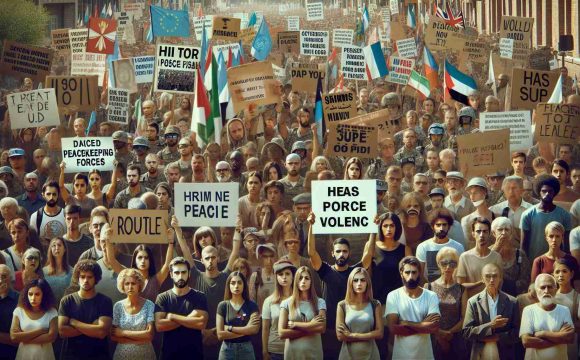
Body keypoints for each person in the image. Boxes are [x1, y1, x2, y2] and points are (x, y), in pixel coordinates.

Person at [307, 212, 366, 359]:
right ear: (332, 253)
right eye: (338, 251)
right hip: (329, 329)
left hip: (352, 329)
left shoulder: (355, 273)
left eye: (345, 251)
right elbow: (311, 252)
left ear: (349, 253)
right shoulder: (326, 270)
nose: (341, 254)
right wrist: (311, 225)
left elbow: (368, 256)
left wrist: (374, 229)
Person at [385, 256, 440, 360]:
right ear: (401, 273)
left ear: (419, 272)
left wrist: (407, 324)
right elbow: (393, 328)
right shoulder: (393, 296)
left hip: (424, 355)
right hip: (401, 355)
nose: (411, 276)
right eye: (407, 272)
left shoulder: (431, 295)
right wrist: (423, 325)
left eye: (414, 272)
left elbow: (434, 327)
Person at [154, 257, 209, 360]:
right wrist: (190, 319)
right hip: (169, 354)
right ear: (171, 274)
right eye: (177, 273)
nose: (180, 276)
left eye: (183, 272)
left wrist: (172, 316)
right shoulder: (163, 297)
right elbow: (159, 325)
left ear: (189, 274)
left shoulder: (200, 297)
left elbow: (201, 323)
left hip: (194, 354)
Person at [58, 259, 113, 360]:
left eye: (89, 277)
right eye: (82, 277)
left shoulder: (105, 301)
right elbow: (62, 331)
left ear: (96, 278)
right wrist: (92, 327)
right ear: (77, 278)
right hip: (71, 356)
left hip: (99, 356)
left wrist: (74, 323)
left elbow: (101, 333)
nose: (85, 280)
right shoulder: (67, 301)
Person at [462, 263, 519, 360]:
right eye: (488, 276)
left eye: (495, 276)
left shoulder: (512, 302)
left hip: (505, 352)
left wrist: (498, 337)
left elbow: (517, 332)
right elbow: (466, 332)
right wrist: (490, 325)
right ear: (482, 279)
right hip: (480, 352)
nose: (492, 280)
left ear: (500, 278)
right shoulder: (473, 302)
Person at [520, 274, 575, 359]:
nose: (546, 291)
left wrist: (543, 333)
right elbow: (526, 341)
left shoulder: (564, 310)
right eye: (542, 287)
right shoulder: (528, 310)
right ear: (536, 290)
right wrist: (560, 337)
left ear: (555, 290)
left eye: (550, 287)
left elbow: (570, 338)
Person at [426, 247, 467, 359]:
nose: (448, 267)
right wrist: (439, 334)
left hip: (456, 339)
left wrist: (449, 333)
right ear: (438, 264)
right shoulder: (428, 287)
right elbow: (426, 316)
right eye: (444, 263)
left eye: (452, 263)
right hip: (434, 339)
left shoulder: (462, 289)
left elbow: (464, 318)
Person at [521, 174, 572, 261]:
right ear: (539, 192)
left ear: (554, 192)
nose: (547, 194)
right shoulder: (528, 214)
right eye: (544, 191)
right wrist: (524, 263)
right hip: (533, 261)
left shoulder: (564, 215)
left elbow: (567, 244)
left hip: (558, 263)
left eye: (550, 191)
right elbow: (523, 245)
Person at [279, 266, 326, 360]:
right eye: (300, 278)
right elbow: (282, 333)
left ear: (311, 281)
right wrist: (311, 325)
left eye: (306, 278)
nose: (303, 281)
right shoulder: (286, 303)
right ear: (296, 281)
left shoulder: (320, 302)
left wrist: (295, 324)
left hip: (313, 354)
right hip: (292, 354)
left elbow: (321, 328)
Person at [363, 212, 412, 305]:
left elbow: (411, 276)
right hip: (377, 301)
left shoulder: (405, 249)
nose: (388, 229)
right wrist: (373, 231)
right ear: (380, 228)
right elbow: (364, 266)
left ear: (397, 227)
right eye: (385, 226)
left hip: (399, 301)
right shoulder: (371, 247)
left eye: (392, 226)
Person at [336, 267, 382, 360]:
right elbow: (340, 336)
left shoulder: (375, 304)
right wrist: (369, 335)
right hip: (347, 355)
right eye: (355, 280)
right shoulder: (342, 305)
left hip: (371, 355)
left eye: (363, 280)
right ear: (350, 283)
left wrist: (352, 335)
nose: (359, 283)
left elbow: (379, 333)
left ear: (367, 283)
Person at [111, 268, 155, 360]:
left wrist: (123, 332)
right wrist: (140, 337)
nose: (130, 287)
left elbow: (149, 335)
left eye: (133, 283)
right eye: (127, 283)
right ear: (122, 285)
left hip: (145, 355)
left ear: (139, 285)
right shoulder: (118, 306)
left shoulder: (149, 305)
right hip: (122, 356)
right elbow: (113, 336)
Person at [216, 271, 261, 360]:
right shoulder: (223, 305)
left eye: (239, 283)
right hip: (227, 350)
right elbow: (220, 335)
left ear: (244, 285)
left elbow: (254, 330)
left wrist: (230, 328)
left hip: (246, 350)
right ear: (228, 285)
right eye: (233, 283)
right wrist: (246, 330)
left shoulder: (252, 305)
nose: (236, 286)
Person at [10, 278, 58, 360]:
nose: (33, 298)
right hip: (24, 355)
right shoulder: (19, 311)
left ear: (44, 295)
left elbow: (51, 337)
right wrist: (40, 331)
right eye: (30, 294)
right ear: (26, 294)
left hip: (44, 355)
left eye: (37, 294)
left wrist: (23, 339)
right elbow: (14, 337)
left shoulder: (52, 312)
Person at [416, 208, 464, 282]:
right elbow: (419, 275)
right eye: (438, 225)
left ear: (449, 227)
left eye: (444, 225)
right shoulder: (423, 247)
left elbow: (461, 274)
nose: (441, 228)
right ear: (432, 227)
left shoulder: (458, 247)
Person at [262, 260, 296, 360]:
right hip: (274, 350)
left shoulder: (299, 300)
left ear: (293, 276)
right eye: (280, 274)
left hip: (295, 349)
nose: (284, 277)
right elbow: (265, 329)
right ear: (276, 277)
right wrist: (264, 351)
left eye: (287, 274)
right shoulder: (269, 301)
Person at [489, 217, 531, 297]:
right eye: (500, 230)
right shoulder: (488, 252)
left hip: (514, 298)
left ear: (511, 233)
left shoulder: (520, 254)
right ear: (494, 233)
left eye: (507, 230)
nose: (504, 233)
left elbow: (525, 280)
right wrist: (496, 248)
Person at [553, 257, 580, 360]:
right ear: (553, 275)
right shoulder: (550, 297)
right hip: (553, 344)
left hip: (571, 344)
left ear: (572, 274)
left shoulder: (577, 297)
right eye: (557, 272)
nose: (560, 275)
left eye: (564, 271)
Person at [43, 237, 72, 304]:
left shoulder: (72, 272)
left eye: (59, 245)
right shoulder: (43, 272)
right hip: (49, 308)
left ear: (64, 249)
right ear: (50, 249)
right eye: (53, 245)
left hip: (66, 309)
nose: (56, 248)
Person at [0, 264, 19, 359]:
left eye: (4, 277)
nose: (0, 281)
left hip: (12, 354)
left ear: (11, 279)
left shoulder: (20, 300)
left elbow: (19, 339)